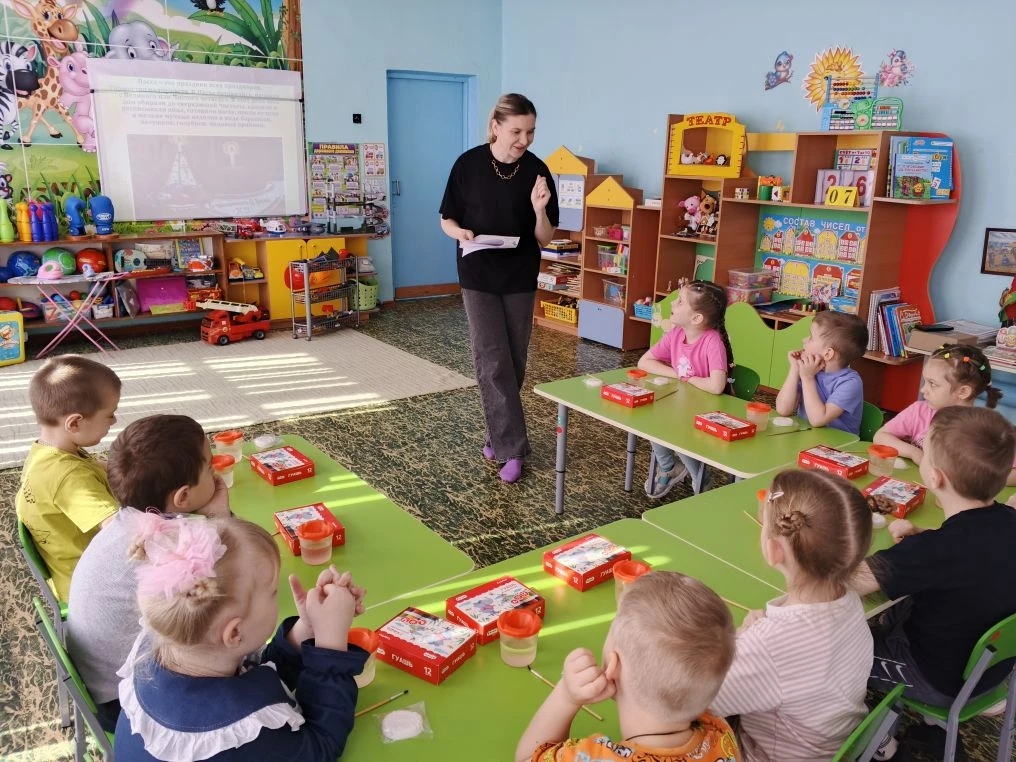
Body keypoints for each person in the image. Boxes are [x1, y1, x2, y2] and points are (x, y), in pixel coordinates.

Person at [114, 514, 369, 761]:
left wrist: (308, 628)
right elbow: (320, 746)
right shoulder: (239, 737)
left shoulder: (168, 644)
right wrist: (331, 643)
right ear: (234, 632)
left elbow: (254, 676)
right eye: (273, 592)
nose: (277, 596)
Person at [852, 406, 1016, 757]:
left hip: (937, 678)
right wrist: (921, 538)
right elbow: (971, 553)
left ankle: (877, 741)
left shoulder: (934, 551)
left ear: (935, 477)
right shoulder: (1007, 520)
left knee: (833, 654)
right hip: (992, 670)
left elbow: (853, 581)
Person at [66, 414, 231, 733]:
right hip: (125, 701)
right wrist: (221, 518)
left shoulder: (128, 520)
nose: (216, 473)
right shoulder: (169, 545)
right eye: (210, 468)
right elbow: (230, 587)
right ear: (183, 497)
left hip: (96, 680)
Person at [710, 469, 874, 761]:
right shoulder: (849, 601)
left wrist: (739, 641)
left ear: (774, 550)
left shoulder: (767, 646)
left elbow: (696, 702)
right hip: (832, 745)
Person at [439, 93, 559, 483]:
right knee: (492, 358)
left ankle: (497, 435)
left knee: (514, 362)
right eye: (516, 131)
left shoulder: (537, 171)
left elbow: (545, 237)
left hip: (519, 275)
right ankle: (513, 449)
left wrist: (539, 209)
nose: (525, 139)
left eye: (531, 131)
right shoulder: (468, 164)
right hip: (477, 273)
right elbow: (446, 219)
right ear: (496, 126)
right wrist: (460, 232)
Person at [515, 571, 740, 762]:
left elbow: (528, 757)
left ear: (613, 665)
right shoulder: (721, 733)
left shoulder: (594, 757)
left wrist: (566, 696)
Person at [15, 354, 122, 600]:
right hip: (93, 587)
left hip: (67, 574)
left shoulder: (45, 453)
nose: (114, 421)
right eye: (110, 414)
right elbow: (117, 530)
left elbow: (94, 466)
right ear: (74, 423)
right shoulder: (70, 478)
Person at [638, 279, 733, 498]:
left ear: (696, 318)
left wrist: (688, 378)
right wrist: (680, 375)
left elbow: (716, 386)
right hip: (680, 404)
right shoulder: (676, 334)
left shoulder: (712, 341)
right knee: (651, 422)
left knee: (678, 433)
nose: (673, 303)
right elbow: (645, 362)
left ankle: (701, 478)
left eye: (680, 301)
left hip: (707, 410)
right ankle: (669, 467)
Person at [873, 344, 1016, 485]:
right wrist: (916, 454)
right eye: (925, 381)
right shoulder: (919, 411)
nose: (923, 390)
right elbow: (881, 436)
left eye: (932, 384)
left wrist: (972, 478)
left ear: (963, 392)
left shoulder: (985, 429)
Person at [775, 310, 868, 435]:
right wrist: (795, 368)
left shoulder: (850, 383)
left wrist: (808, 378)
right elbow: (783, 409)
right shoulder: (811, 370)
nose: (804, 340)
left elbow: (818, 420)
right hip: (807, 436)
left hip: (836, 443)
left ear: (828, 354)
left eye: (811, 338)